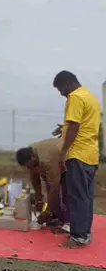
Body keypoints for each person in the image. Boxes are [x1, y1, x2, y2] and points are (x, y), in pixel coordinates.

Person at [53, 70, 101, 248]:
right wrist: (64, 127)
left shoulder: (75, 97)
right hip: (90, 155)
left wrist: (63, 152)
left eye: (60, 89)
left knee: (77, 197)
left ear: (67, 84)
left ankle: (78, 238)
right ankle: (84, 233)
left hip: (78, 155)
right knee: (85, 197)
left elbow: (74, 126)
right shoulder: (90, 97)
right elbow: (83, 124)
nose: (61, 94)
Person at [16, 138, 69, 227]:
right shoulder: (31, 156)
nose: (30, 168)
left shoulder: (47, 159)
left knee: (65, 191)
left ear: (33, 157)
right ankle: (56, 216)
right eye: (28, 167)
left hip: (68, 161)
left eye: (31, 166)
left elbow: (54, 187)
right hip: (52, 162)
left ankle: (68, 222)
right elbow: (34, 177)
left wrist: (48, 211)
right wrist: (39, 199)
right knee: (49, 189)